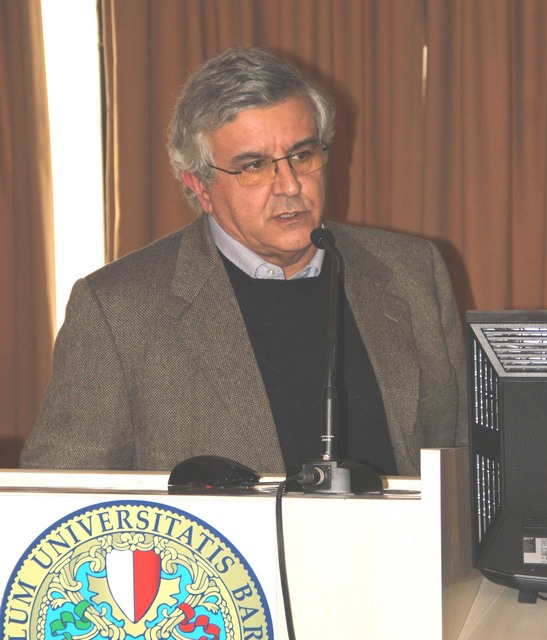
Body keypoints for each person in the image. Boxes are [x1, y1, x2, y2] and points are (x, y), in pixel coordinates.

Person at [20, 47, 467, 476]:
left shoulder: (413, 272)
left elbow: (468, 460)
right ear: (199, 187)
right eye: (254, 166)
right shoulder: (118, 312)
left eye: (302, 155)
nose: (290, 185)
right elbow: (60, 495)